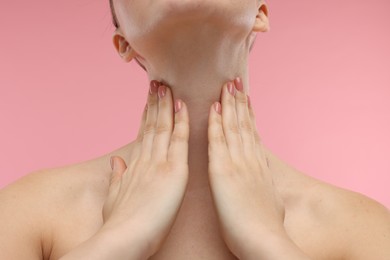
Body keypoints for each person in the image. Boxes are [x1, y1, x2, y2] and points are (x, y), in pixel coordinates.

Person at [0, 0, 389, 259]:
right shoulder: (28, 213)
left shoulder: (360, 229)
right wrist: (117, 240)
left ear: (260, 13)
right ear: (123, 43)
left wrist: (267, 242)